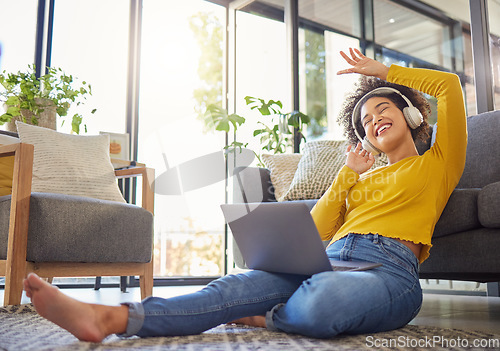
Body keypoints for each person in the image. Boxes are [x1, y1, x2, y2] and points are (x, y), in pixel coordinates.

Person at [23, 48, 467, 342]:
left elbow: (448, 86)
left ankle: (266, 316)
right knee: (231, 286)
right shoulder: (359, 178)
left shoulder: (438, 162)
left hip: (390, 272)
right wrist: (347, 177)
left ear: (410, 115)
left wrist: (383, 74)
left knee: (327, 300)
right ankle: (111, 319)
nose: (372, 121)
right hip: (328, 259)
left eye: (382, 108)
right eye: (365, 119)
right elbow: (314, 232)